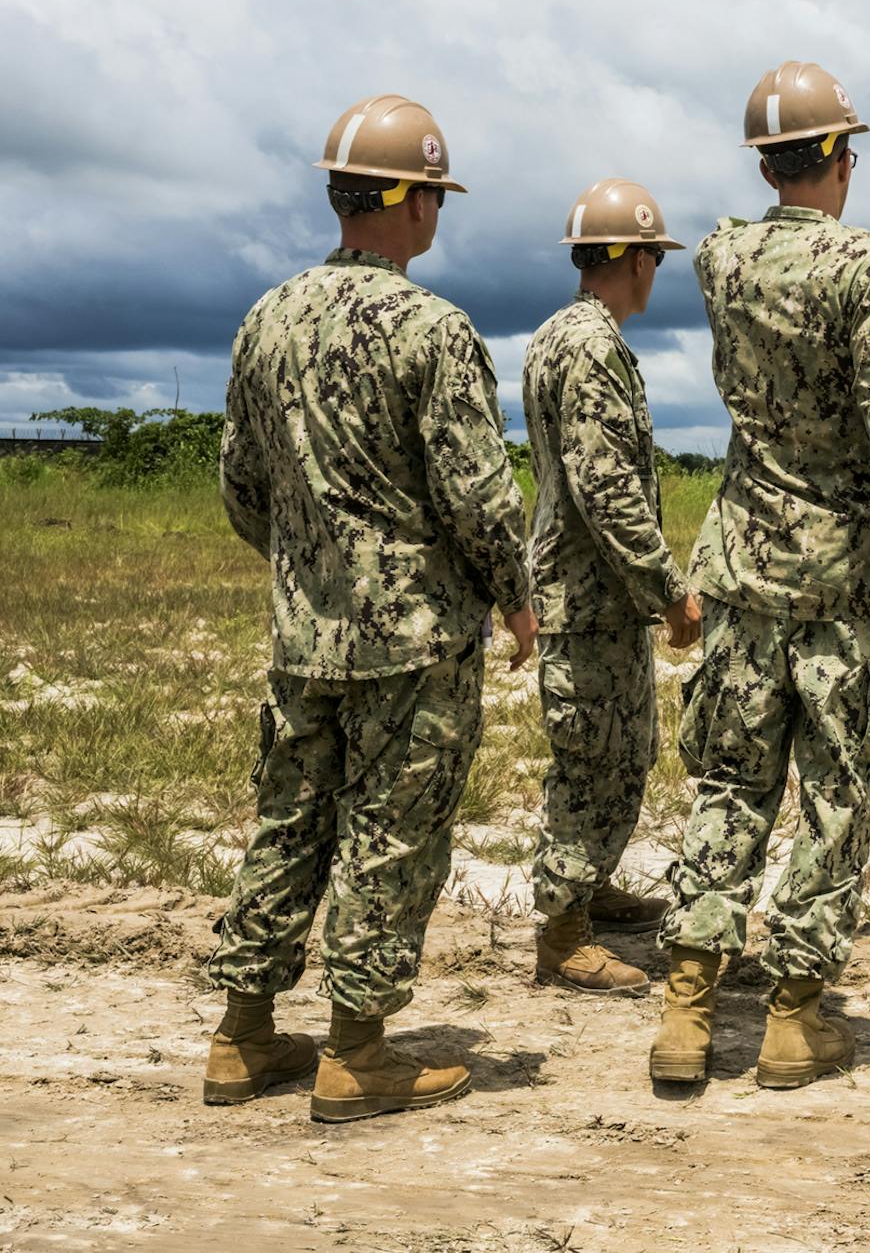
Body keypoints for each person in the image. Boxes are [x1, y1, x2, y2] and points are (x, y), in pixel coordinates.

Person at [205, 95, 536, 1122]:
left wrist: (309, 566)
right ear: (411, 199)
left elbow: (239, 484)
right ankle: (356, 1052)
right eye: (433, 192)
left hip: (304, 633)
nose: (436, 211)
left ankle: (244, 1034)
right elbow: (479, 493)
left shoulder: (267, 317)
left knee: (289, 824)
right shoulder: (432, 329)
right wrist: (516, 598)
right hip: (414, 642)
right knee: (392, 834)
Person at [650, 61, 870, 1091]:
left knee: (731, 787)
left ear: (764, 160)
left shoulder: (717, 261)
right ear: (842, 157)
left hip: (744, 567)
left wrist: (847, 253)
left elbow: (758, 253)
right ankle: (793, 1016)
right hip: (845, 583)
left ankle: (688, 1010)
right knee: (835, 796)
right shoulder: (868, 280)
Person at [522, 178, 703, 997]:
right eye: (654, 257)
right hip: (590, 601)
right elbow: (608, 490)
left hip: (586, 597)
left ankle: (586, 890)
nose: (656, 271)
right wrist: (669, 591)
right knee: (596, 761)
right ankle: (563, 931)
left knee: (619, 750)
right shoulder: (593, 347)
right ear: (632, 258)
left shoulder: (559, 336)